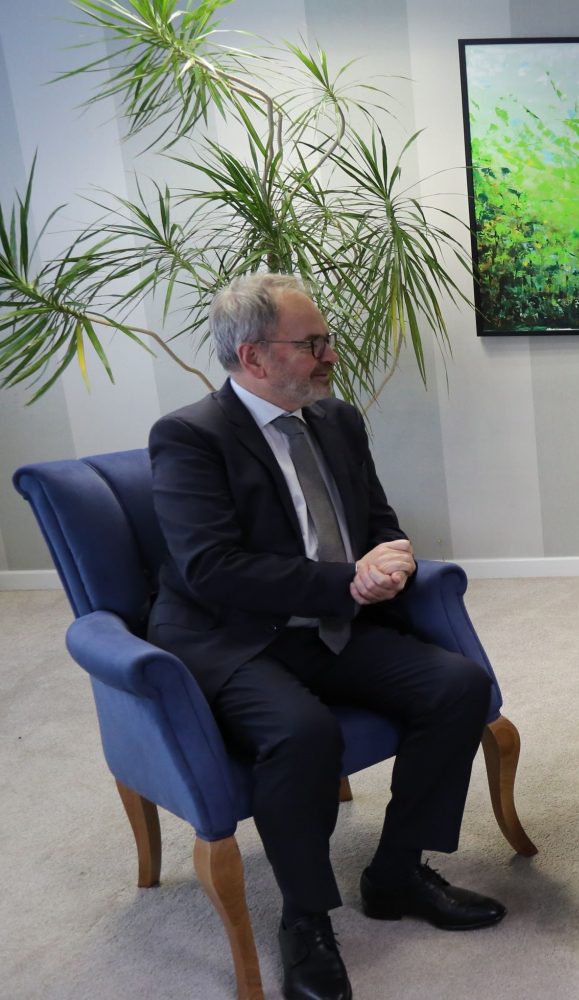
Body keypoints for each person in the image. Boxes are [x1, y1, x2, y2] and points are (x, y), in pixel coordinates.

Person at [148, 273, 505, 1000]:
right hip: (235, 638)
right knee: (302, 734)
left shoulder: (336, 420)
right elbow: (212, 568)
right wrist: (346, 581)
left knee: (458, 686)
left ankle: (396, 873)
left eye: (325, 340)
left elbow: (376, 519)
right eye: (311, 344)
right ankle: (305, 920)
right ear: (253, 356)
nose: (331, 355)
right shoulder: (190, 437)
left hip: (333, 624)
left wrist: (391, 560)